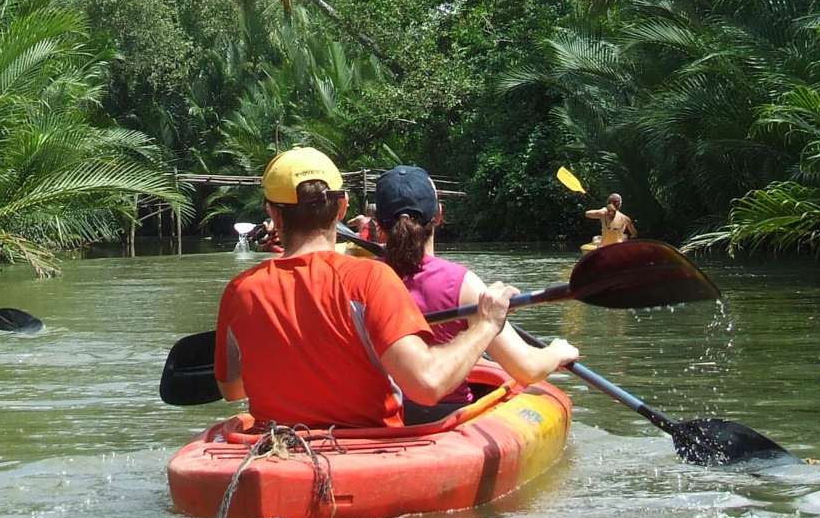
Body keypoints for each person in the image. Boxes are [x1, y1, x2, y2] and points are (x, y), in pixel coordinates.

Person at [213, 147, 514, 429]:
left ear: (273, 213)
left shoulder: (241, 290)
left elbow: (233, 388)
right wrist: (486, 325)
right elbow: (427, 385)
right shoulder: (371, 278)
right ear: (342, 207)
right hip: (369, 449)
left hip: (280, 450)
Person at [372, 165, 580, 424]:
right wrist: (557, 352)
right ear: (438, 215)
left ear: (378, 225)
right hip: (444, 419)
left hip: (379, 417)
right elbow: (528, 368)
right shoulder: (463, 284)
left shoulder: (361, 279)